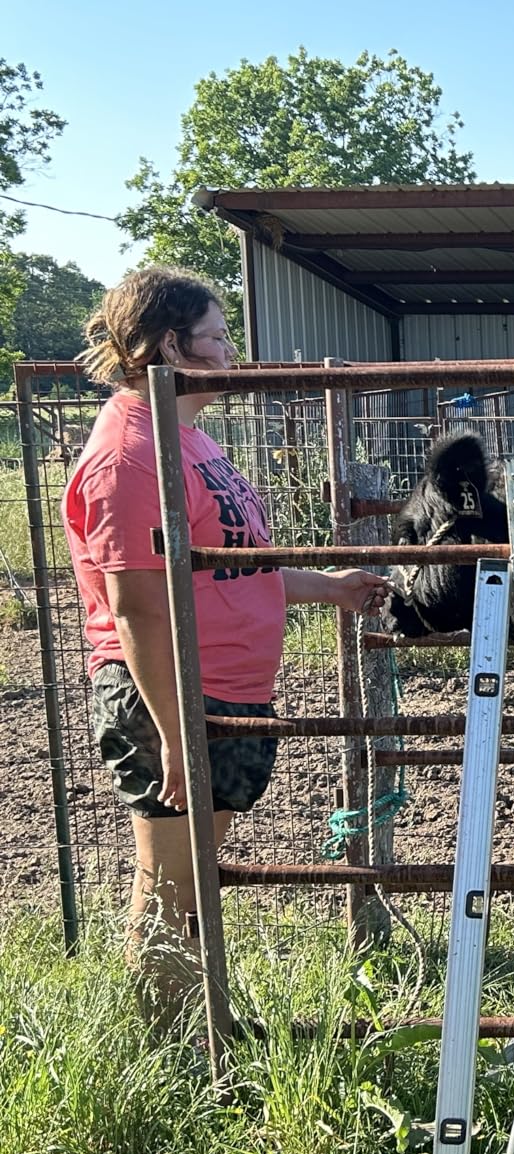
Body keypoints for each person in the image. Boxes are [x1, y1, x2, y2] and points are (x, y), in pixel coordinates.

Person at [62, 265, 391, 1030]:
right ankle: (173, 1044)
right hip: (176, 697)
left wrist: (328, 586)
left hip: (221, 691)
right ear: (170, 345)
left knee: (192, 880)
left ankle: (193, 1024)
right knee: (173, 885)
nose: (231, 353)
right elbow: (137, 607)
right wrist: (177, 733)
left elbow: (231, 566)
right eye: (217, 338)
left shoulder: (189, 437)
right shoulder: (130, 455)